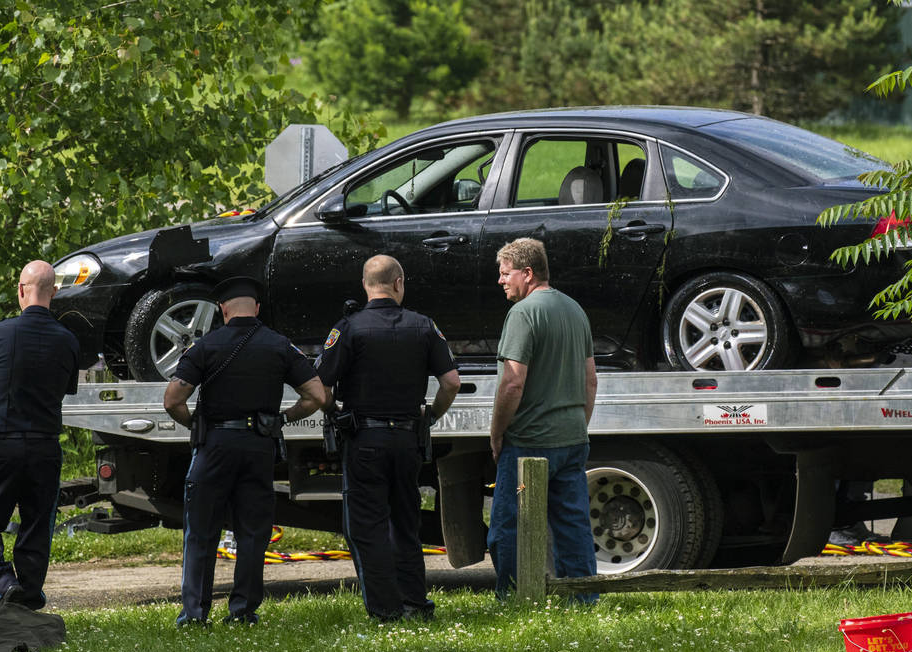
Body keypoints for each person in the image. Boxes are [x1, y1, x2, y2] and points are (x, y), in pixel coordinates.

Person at [164, 276, 325, 627]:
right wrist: (284, 418)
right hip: (258, 446)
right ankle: (242, 612)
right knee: (252, 533)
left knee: (201, 532)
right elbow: (316, 395)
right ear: (257, 308)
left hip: (214, 447)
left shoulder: (207, 346)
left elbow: (173, 399)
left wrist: (194, 424)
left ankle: (194, 614)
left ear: (223, 310)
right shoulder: (279, 345)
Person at [316, 255, 460, 621]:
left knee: (367, 528)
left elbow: (320, 388)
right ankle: (415, 603)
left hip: (364, 440)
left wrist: (335, 410)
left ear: (366, 286)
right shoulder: (425, 326)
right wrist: (432, 415)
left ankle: (386, 610)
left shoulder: (348, 329)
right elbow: (451, 383)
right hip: (408, 440)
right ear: (399, 283)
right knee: (405, 524)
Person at [0, 260, 80, 610]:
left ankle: (2, 582)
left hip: (2, 444)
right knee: (37, 525)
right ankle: (27, 598)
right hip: (46, 446)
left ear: (20, 290)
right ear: (54, 293)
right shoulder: (69, 341)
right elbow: (63, 390)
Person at [488, 238, 599, 601]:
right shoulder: (575, 310)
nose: (502, 281)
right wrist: (578, 424)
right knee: (572, 524)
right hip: (572, 441)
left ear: (528, 273)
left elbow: (513, 382)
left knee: (508, 526)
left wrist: (496, 433)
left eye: (506, 274)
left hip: (529, 443)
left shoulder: (523, 313)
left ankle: (514, 598)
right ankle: (583, 597)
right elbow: (590, 379)